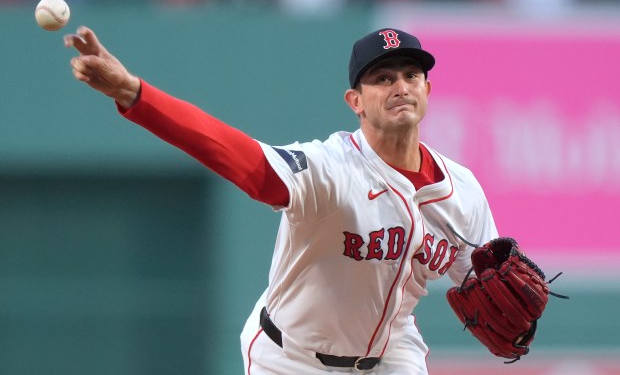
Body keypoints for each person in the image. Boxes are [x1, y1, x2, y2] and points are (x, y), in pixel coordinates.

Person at [65, 26, 498, 374]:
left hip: (392, 355)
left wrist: (514, 319)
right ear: (356, 102)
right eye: (382, 79)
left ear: (427, 88)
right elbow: (240, 158)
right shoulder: (330, 170)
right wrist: (134, 93)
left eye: (410, 75)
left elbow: (484, 284)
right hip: (291, 358)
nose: (400, 86)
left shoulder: (463, 190)